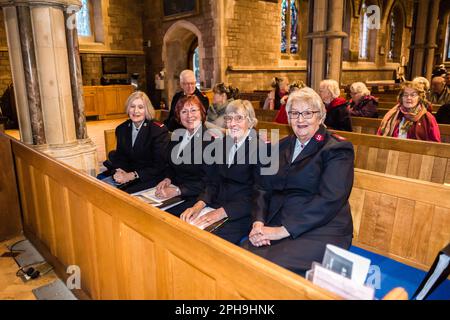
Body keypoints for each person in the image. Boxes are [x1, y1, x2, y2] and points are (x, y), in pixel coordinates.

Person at [241, 87, 354, 276]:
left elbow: (329, 199)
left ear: (321, 116)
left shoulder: (337, 149)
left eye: (308, 113)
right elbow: (262, 188)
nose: (300, 120)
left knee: (267, 268)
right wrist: (258, 223)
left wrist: (281, 231)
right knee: (242, 256)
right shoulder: (281, 147)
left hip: (322, 228)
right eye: (294, 113)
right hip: (281, 222)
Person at [180, 100, 264, 244]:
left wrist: (222, 212)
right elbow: (212, 182)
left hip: (241, 214)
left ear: (250, 122)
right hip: (215, 206)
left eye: (239, 118)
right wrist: (199, 205)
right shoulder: (222, 144)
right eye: (229, 118)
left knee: (204, 243)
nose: (232, 123)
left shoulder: (261, 148)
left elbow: (258, 195)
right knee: (182, 229)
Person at [154, 95, 214, 216]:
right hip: (174, 192)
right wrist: (167, 179)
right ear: (179, 116)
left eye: (193, 110)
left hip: (197, 198)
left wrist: (177, 190)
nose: (189, 115)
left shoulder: (210, 142)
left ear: (201, 113)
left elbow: (210, 182)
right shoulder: (177, 136)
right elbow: (171, 165)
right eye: (184, 111)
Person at [101, 91, 169, 193]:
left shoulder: (157, 130)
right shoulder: (121, 129)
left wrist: (133, 175)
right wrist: (119, 170)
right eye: (132, 106)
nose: (136, 111)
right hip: (127, 174)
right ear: (128, 108)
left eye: (140, 107)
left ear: (147, 110)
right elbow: (120, 156)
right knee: (100, 186)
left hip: (148, 176)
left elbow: (159, 165)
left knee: (119, 195)